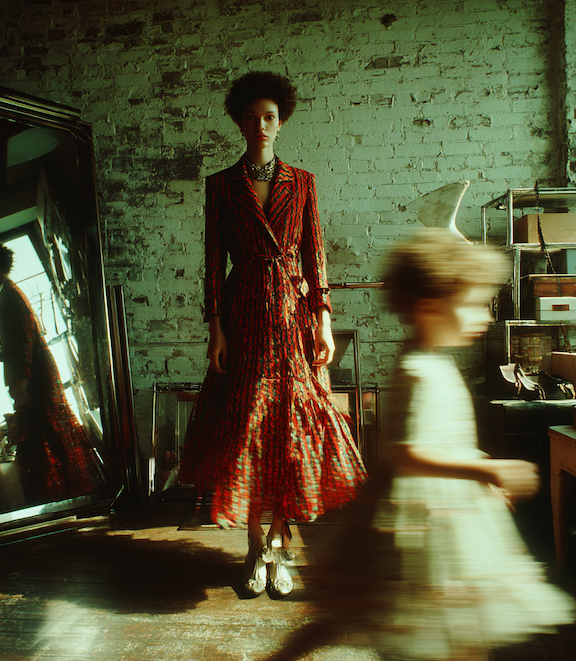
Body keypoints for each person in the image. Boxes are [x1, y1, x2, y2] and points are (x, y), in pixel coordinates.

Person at [265, 229, 576, 660]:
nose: (484, 317)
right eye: (473, 305)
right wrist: (484, 470)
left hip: (445, 516)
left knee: (451, 626)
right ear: (432, 308)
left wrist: (477, 463)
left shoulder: (433, 362)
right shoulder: (417, 370)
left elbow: (444, 437)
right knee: (356, 611)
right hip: (408, 522)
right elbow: (408, 453)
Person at [179, 71, 366, 598]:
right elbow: (213, 264)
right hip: (243, 313)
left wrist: (323, 317)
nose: (260, 125)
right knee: (247, 432)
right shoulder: (221, 185)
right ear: (238, 122)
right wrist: (215, 329)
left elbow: (316, 254)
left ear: (281, 122)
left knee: (288, 433)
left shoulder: (302, 182)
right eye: (251, 117)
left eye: (269, 117)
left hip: (292, 313)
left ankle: (278, 549)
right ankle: (253, 546)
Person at [0, 241, 103, 505]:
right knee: (52, 436)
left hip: (36, 381)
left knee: (48, 437)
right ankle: (71, 495)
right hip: (40, 376)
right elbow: (18, 344)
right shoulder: (11, 295)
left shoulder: (9, 298)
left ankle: (66, 497)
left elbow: (23, 343)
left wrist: (21, 383)